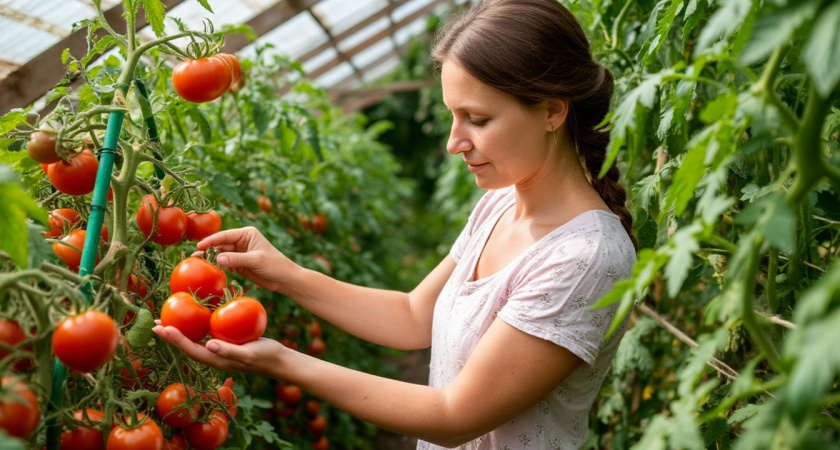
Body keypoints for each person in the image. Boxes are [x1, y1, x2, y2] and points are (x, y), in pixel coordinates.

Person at [153, 0, 638, 448]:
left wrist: (283, 361)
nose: (454, 142)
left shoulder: (584, 258)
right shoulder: (500, 204)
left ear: (552, 110)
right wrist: (287, 274)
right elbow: (412, 317)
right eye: (453, 115)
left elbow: (455, 416)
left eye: (477, 119)